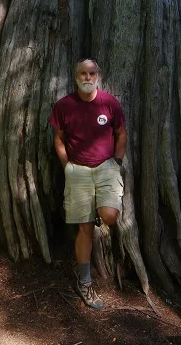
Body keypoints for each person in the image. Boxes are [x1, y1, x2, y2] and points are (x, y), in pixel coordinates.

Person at [49, 58, 127, 310]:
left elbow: (121, 132)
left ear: (98, 76)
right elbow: (58, 138)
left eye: (91, 73)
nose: (87, 77)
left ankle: (98, 208)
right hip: (78, 172)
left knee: (110, 216)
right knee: (84, 229)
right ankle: (85, 282)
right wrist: (67, 166)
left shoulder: (109, 103)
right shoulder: (64, 106)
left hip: (106, 167)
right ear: (75, 76)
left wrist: (117, 161)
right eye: (82, 73)